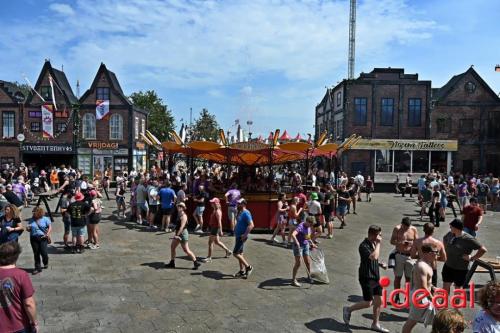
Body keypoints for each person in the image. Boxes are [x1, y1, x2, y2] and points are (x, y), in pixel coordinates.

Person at [343, 225, 389, 333]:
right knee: (368, 302)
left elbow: (374, 258)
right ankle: (348, 309)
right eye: (379, 235)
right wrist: (378, 243)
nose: (381, 237)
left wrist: (380, 264)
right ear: (373, 234)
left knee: (379, 301)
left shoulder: (373, 243)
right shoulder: (363, 245)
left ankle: (375, 324)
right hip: (366, 277)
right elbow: (373, 256)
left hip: (375, 276)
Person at [0, 241, 38, 333]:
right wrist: (34, 322)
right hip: (18, 325)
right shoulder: (21, 275)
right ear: (16, 257)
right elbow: (29, 303)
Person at [402, 244, 439, 333]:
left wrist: (433, 287)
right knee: (412, 321)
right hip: (419, 297)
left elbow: (426, 283)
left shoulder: (427, 263)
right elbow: (423, 286)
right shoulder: (421, 266)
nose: (437, 254)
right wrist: (433, 299)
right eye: (436, 252)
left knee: (436, 320)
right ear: (429, 253)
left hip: (423, 296)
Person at [442, 219, 487, 293]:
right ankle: (444, 303)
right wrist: (446, 250)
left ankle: (457, 304)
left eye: (451, 227)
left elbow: (483, 249)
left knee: (458, 289)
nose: (450, 228)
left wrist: (472, 258)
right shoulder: (450, 234)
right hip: (448, 265)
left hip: (461, 268)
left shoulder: (468, 239)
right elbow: (444, 238)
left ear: (456, 228)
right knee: (445, 287)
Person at [165, 202, 201, 270]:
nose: (179, 207)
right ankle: (172, 263)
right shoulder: (179, 214)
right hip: (178, 233)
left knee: (186, 250)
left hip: (182, 234)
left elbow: (182, 227)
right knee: (172, 247)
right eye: (179, 206)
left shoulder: (184, 216)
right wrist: (174, 227)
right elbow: (178, 225)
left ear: (183, 208)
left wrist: (177, 235)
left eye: (181, 206)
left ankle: (196, 263)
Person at [390, 217, 418, 304]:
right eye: (405, 227)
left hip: (410, 257)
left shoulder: (413, 229)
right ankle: (397, 296)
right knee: (398, 277)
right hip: (400, 255)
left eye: (408, 227)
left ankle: (407, 297)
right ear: (402, 224)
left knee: (408, 279)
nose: (406, 229)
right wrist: (400, 243)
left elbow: (417, 242)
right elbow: (392, 241)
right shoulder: (397, 229)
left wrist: (411, 243)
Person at [201, 198, 232, 263]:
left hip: (215, 228)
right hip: (214, 228)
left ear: (216, 204)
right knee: (217, 242)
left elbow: (219, 222)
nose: (211, 204)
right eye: (212, 202)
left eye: (213, 203)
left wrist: (221, 230)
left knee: (210, 243)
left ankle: (209, 258)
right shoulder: (215, 210)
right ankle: (228, 251)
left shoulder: (218, 211)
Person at [290, 215, 316, 287]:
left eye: (311, 225)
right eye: (310, 224)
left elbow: (307, 236)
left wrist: (312, 243)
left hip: (305, 245)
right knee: (298, 263)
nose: (310, 226)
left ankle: (309, 276)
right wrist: (297, 242)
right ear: (307, 221)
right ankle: (293, 280)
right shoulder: (300, 227)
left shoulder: (308, 227)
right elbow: (293, 234)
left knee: (308, 262)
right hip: (298, 246)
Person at [232, 198, 254, 279]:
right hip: (238, 235)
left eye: (239, 204)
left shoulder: (246, 213)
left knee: (235, 253)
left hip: (241, 236)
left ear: (244, 204)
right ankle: (241, 271)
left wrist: (245, 235)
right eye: (237, 203)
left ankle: (248, 267)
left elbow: (251, 225)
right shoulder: (240, 212)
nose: (237, 205)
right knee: (240, 254)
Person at [27, 206, 52, 275]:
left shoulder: (45, 219)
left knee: (44, 252)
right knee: (36, 253)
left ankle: (45, 261)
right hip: (33, 237)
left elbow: (50, 227)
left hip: (43, 237)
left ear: (39, 212)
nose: (33, 213)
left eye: (35, 212)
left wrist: (47, 234)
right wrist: (28, 228)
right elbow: (29, 228)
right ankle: (37, 268)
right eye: (33, 212)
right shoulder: (31, 219)